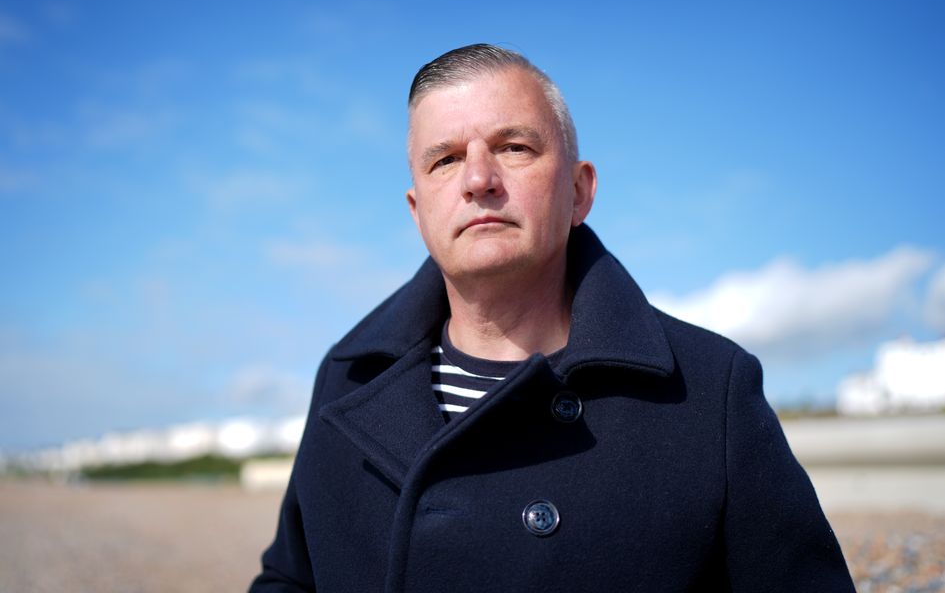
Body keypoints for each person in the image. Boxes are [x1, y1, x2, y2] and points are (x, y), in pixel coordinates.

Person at [249, 44, 855, 592]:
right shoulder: (349, 377)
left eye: (515, 147)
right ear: (417, 210)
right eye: (445, 160)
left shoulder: (708, 387)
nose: (479, 180)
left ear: (579, 191)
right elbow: (290, 581)